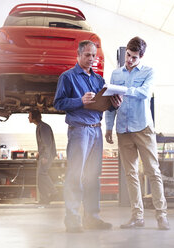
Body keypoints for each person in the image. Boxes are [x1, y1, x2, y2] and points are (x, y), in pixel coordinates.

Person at [54, 40, 122, 233]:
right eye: (87, 55)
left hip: (96, 130)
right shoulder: (67, 77)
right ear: (78, 55)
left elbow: (104, 103)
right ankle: (73, 220)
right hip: (79, 130)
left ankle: (92, 218)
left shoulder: (99, 80)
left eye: (94, 55)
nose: (91, 59)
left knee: (93, 176)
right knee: (75, 175)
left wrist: (114, 104)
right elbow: (58, 103)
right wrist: (79, 101)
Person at [105, 36, 169, 230]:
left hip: (143, 128)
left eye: (134, 57)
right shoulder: (116, 74)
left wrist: (123, 91)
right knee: (130, 174)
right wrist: (108, 127)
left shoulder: (149, 72)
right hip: (123, 129)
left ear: (141, 56)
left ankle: (161, 216)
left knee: (153, 172)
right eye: (128, 55)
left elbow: (144, 94)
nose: (130, 60)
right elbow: (110, 103)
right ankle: (137, 217)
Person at [28, 110, 58, 204]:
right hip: (44, 155)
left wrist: (45, 156)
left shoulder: (44, 127)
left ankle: (54, 192)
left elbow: (47, 143)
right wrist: (39, 153)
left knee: (42, 174)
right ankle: (45, 199)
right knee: (40, 177)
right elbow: (43, 143)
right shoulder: (40, 126)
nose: (28, 118)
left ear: (34, 117)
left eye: (29, 116)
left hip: (47, 155)